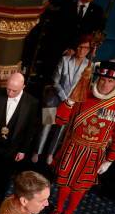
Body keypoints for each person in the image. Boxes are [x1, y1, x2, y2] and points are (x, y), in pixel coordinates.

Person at [45, 60, 115, 214]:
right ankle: (59, 208)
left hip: (94, 152)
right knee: (64, 181)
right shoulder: (82, 95)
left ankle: (69, 213)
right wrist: (69, 101)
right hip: (73, 146)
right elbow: (59, 120)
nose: (106, 84)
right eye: (104, 79)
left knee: (80, 186)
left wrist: (110, 160)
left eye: (111, 81)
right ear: (98, 79)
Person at [0, 72, 40, 210]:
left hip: (14, 148)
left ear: (23, 87)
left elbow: (31, 129)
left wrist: (23, 150)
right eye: (8, 89)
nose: (10, 92)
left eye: (14, 90)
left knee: (5, 176)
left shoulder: (32, 103)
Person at [33, 35, 92, 164]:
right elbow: (55, 80)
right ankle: (37, 151)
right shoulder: (65, 59)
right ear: (76, 47)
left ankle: (50, 154)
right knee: (46, 126)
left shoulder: (89, 65)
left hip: (71, 103)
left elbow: (84, 86)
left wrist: (71, 101)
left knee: (61, 130)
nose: (82, 50)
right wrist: (65, 97)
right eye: (80, 47)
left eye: (86, 48)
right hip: (54, 99)